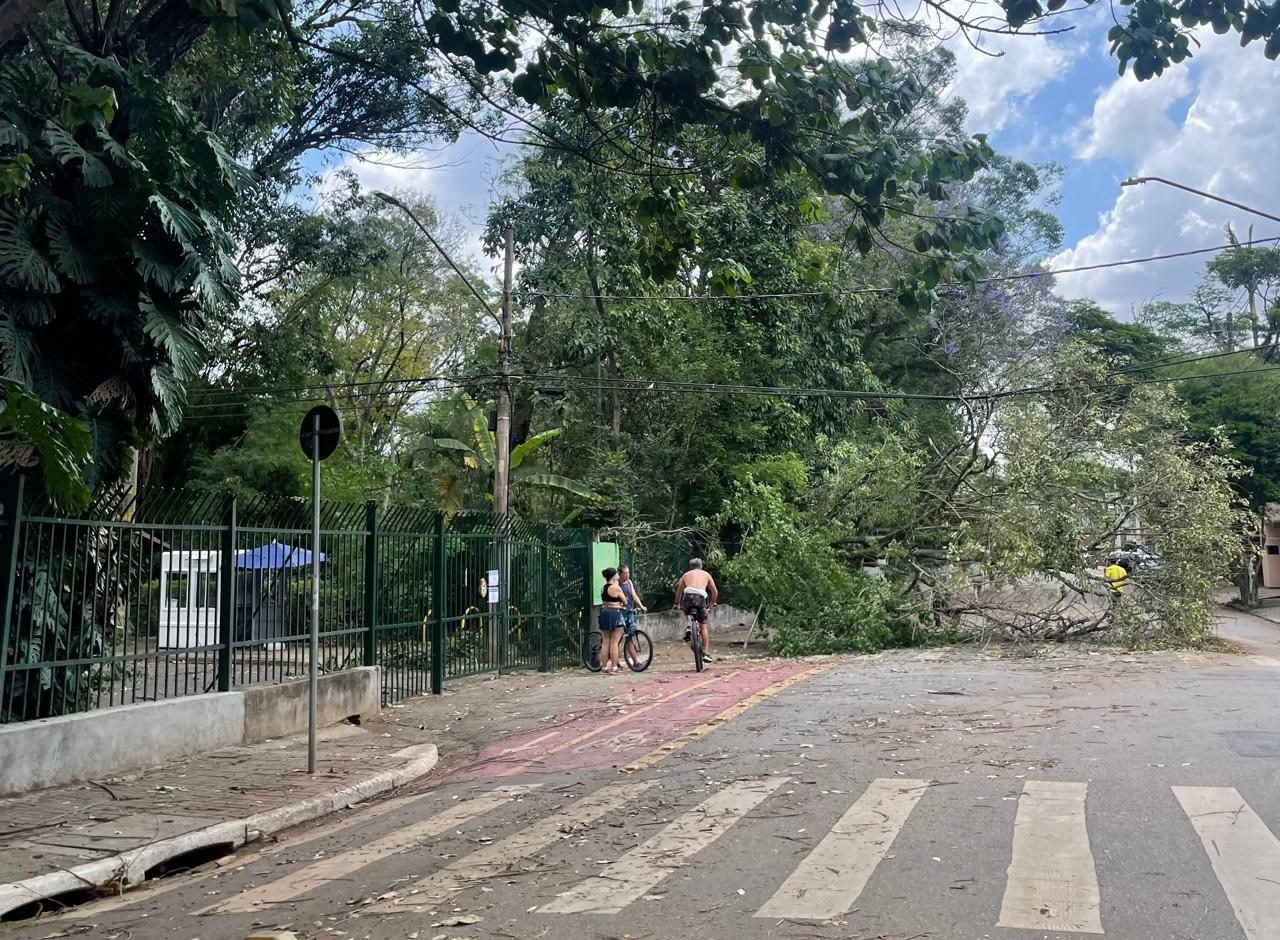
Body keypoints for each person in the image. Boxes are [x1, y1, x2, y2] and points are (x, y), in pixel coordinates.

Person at [673, 558, 718, 664]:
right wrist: (712, 603)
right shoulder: (706, 575)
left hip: (688, 596)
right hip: (701, 598)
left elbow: (679, 592)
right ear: (701, 566)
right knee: (703, 626)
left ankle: (688, 626)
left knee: (684, 610)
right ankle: (706, 653)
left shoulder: (686, 575)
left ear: (690, 567)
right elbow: (714, 592)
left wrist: (676, 604)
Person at [598, 567, 626, 674]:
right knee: (615, 641)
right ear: (613, 576)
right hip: (615, 613)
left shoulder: (603, 588)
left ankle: (604, 666)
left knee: (605, 641)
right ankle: (614, 666)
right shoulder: (616, 588)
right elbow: (625, 601)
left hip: (604, 612)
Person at [618, 565, 647, 661]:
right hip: (620, 612)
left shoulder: (629, 583)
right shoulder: (617, 584)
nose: (627, 575)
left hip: (629, 611)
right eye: (625, 573)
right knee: (618, 637)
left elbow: (634, 596)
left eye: (628, 573)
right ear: (620, 574)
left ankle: (635, 661)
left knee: (630, 635)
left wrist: (641, 606)